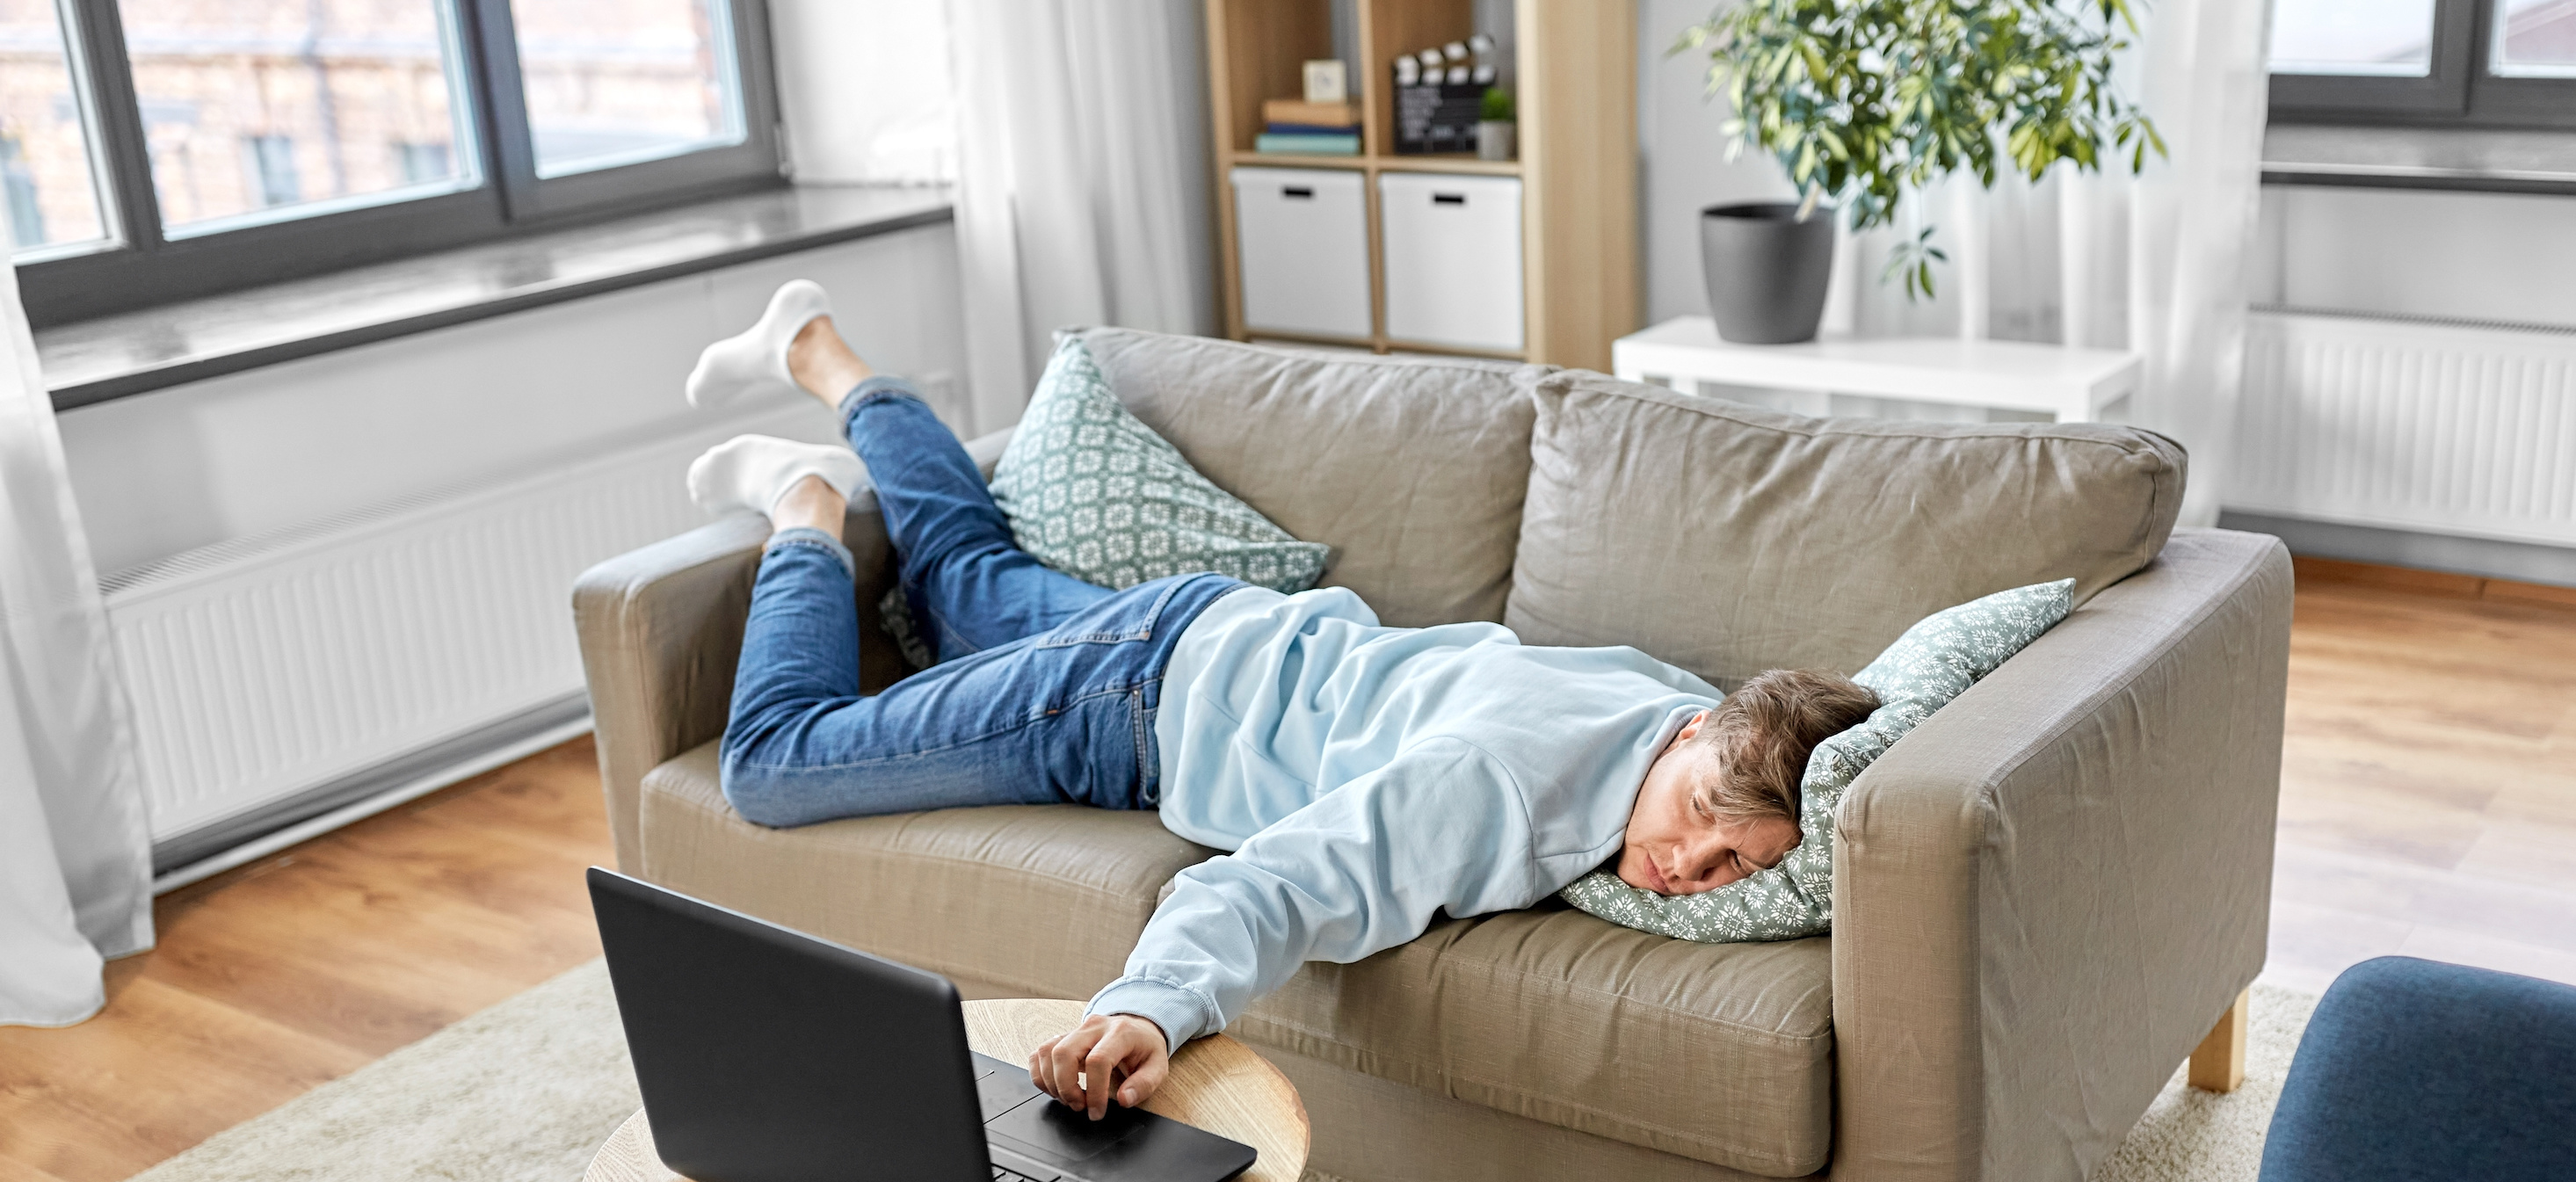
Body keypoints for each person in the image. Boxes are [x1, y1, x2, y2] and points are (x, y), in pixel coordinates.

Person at [682, 282, 1876, 1120]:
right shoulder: (1505, 786)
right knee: (776, 765)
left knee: (961, 583)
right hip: (1132, 703)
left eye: (1733, 867)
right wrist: (1149, 1009)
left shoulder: (1665, 698)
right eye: (1699, 817)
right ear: (1688, 735)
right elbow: (1287, 879)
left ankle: (821, 351)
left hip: (1209, 635)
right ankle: (805, 508)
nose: (1687, 867)